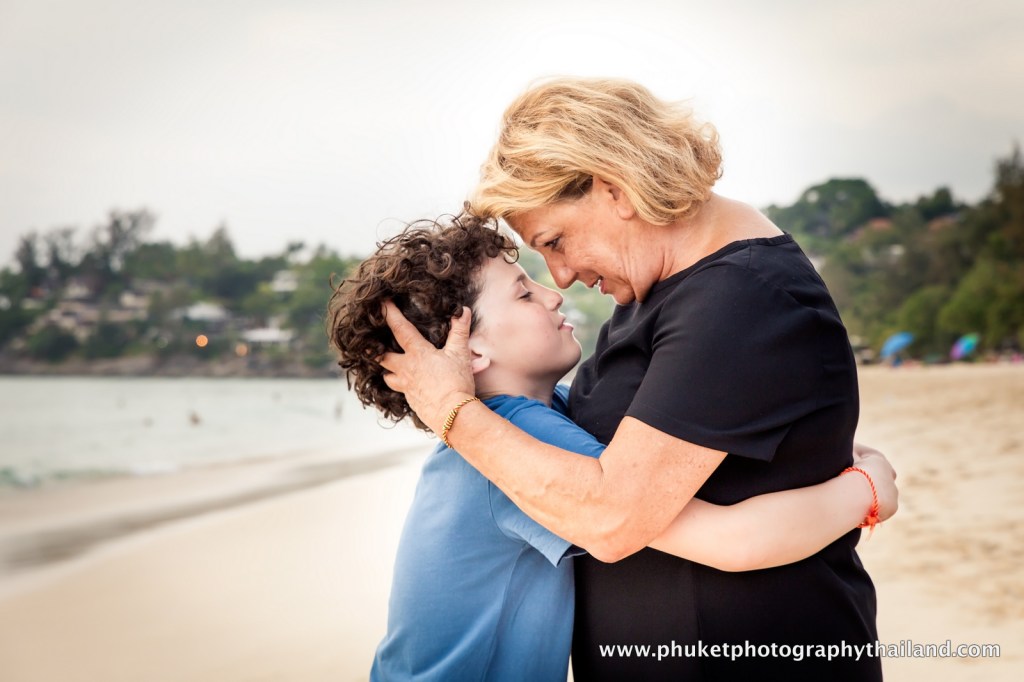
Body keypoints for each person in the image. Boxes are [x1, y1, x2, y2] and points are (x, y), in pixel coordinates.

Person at [378, 78, 893, 680]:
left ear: (614, 189)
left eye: (554, 241)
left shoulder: (740, 297)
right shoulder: (657, 287)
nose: (561, 277)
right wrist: (862, 483)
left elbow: (613, 517)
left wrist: (451, 410)